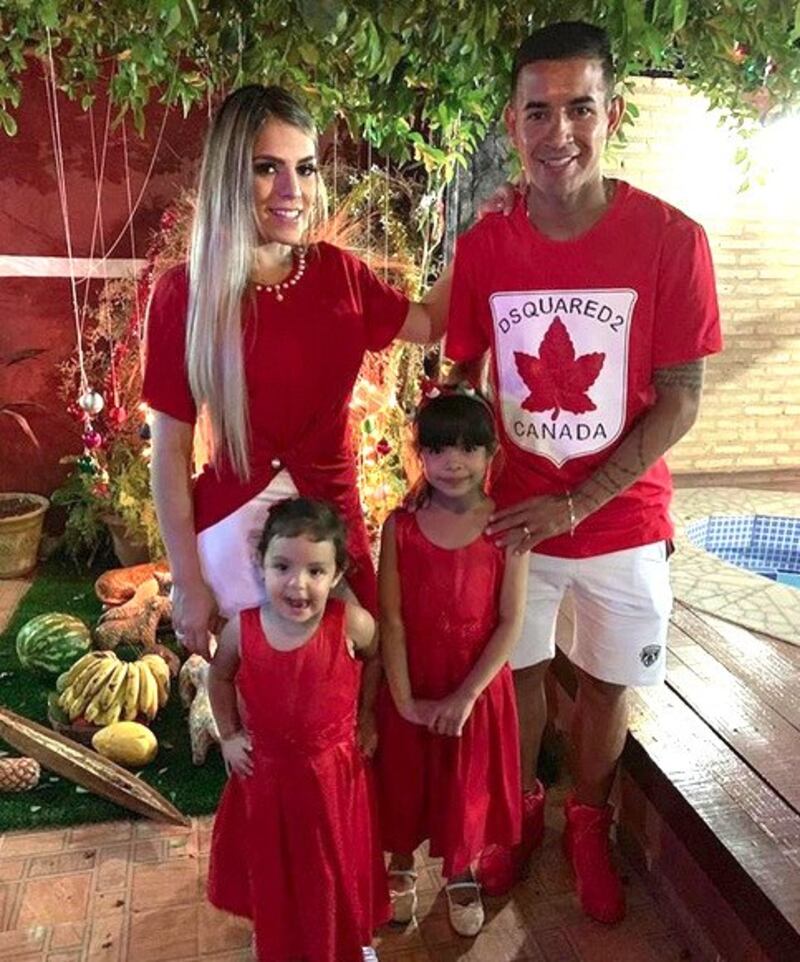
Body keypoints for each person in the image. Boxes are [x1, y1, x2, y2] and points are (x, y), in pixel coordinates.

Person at [446, 21, 722, 924]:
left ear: (612, 114)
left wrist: (579, 501)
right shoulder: (486, 245)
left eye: (579, 108)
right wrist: (455, 475)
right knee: (517, 676)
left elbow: (680, 398)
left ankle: (588, 824)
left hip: (622, 519)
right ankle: (522, 813)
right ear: (512, 121)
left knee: (606, 681)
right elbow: (464, 372)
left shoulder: (671, 240)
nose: (557, 131)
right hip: (515, 518)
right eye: (538, 111)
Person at [143, 84, 448, 669]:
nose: (293, 190)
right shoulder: (185, 293)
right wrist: (186, 579)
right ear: (230, 177)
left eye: (304, 168)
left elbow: (430, 322)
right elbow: (170, 450)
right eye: (267, 168)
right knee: (260, 701)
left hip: (332, 522)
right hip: (234, 535)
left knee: (356, 684)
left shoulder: (339, 275)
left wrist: (490, 233)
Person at [375, 389, 528, 937]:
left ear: (490, 454)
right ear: (420, 454)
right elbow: (391, 619)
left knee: (463, 787)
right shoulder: (400, 528)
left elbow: (509, 621)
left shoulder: (508, 530)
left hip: (475, 689)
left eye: (467, 448)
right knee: (403, 781)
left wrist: (465, 696)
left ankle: (460, 870)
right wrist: (401, 700)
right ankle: (399, 861)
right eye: (437, 449)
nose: (452, 462)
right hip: (410, 681)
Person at [206, 497, 385, 962]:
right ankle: (275, 932)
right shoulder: (241, 631)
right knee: (276, 863)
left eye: (315, 571)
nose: (297, 584)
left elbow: (376, 658)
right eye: (282, 566)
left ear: (337, 574)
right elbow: (219, 676)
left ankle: (350, 938)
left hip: (332, 779)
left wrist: (366, 716)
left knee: (334, 862)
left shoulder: (352, 624)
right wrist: (229, 735)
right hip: (268, 779)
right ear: (260, 563)